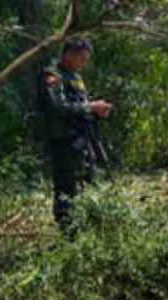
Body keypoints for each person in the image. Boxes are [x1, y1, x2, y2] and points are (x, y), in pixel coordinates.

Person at [39, 38, 113, 236]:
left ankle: (88, 228)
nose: (83, 64)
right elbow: (58, 107)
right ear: (68, 54)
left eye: (85, 60)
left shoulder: (75, 76)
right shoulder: (53, 75)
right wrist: (90, 106)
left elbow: (80, 103)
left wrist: (95, 109)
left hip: (81, 140)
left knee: (89, 180)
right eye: (81, 59)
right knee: (66, 187)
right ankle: (67, 232)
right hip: (62, 141)